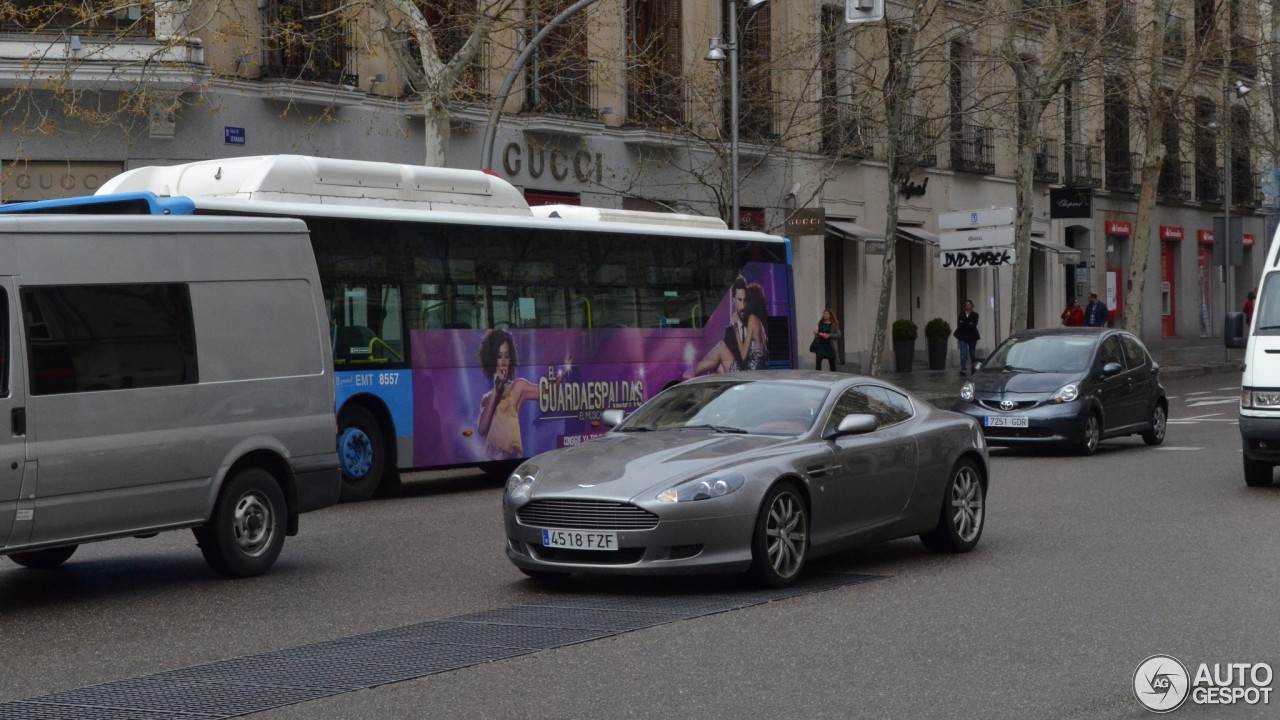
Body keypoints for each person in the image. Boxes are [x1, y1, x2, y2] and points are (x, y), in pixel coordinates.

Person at [475, 329, 569, 460]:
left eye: (507, 356)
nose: (503, 362)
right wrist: (496, 392)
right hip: (489, 458)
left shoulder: (517, 387)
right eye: (499, 356)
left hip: (508, 458)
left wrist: (563, 372)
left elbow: (546, 390)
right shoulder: (487, 398)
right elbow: (482, 429)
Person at [955, 300, 980, 375]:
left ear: (972, 306)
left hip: (972, 337)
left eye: (969, 305)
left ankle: (974, 368)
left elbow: (973, 325)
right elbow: (960, 324)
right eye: (966, 305)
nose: (967, 306)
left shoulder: (975, 315)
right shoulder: (961, 314)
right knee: (963, 353)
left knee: (972, 353)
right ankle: (963, 369)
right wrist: (968, 323)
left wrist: (965, 323)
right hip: (963, 336)